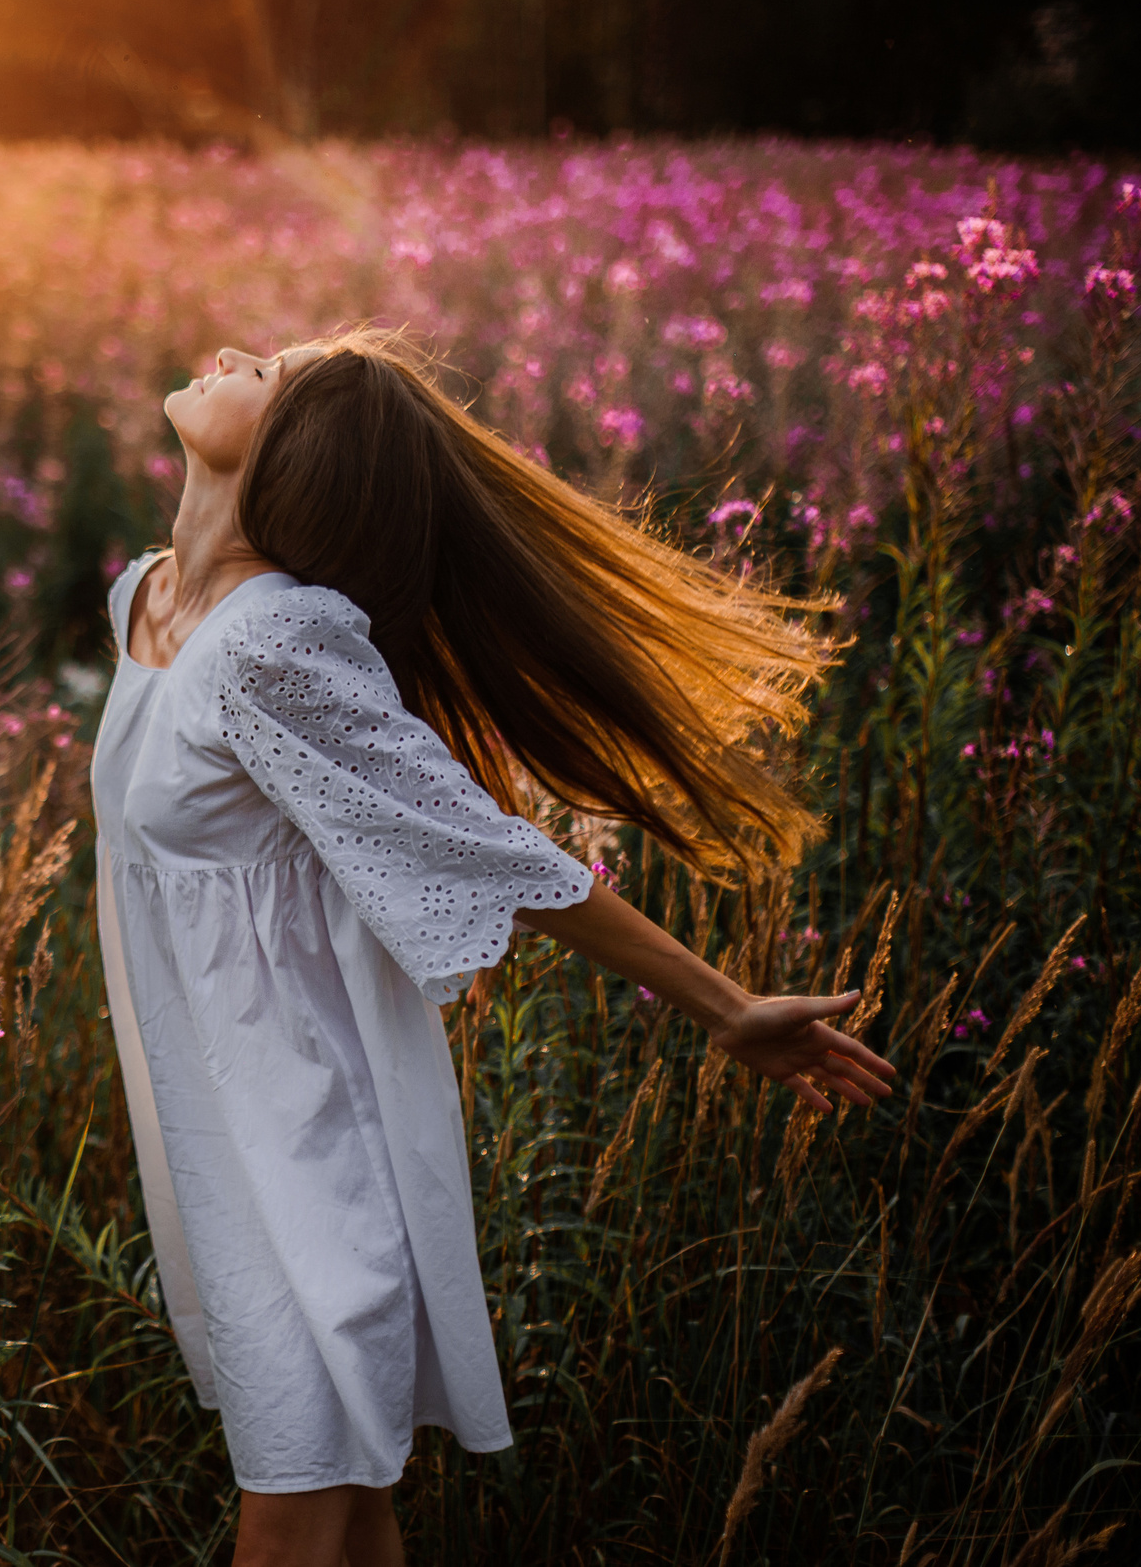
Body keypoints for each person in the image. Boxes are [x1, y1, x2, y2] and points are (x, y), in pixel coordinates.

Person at [87, 331, 897, 1567]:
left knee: (304, 1495)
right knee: (347, 1520)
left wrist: (725, 1007)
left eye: (272, 369)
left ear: (302, 453)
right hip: (229, 1144)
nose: (231, 350)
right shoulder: (146, 600)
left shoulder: (273, 643)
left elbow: (490, 849)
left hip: (309, 1152)